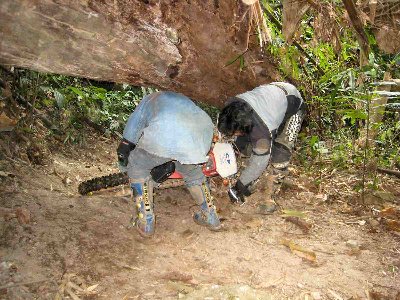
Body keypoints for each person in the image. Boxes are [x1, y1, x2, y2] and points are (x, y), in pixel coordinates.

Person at [117, 91, 221, 237]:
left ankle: (146, 222)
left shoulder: (151, 98)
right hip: (200, 134)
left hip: (166, 136)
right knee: (193, 173)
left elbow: (130, 134)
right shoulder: (186, 100)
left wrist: (124, 164)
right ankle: (211, 216)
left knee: (137, 166)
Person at [217, 82, 306, 213]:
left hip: (293, 104)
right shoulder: (231, 106)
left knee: (280, 154)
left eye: (235, 132)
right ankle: (251, 180)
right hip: (270, 99)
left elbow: (260, 161)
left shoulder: (261, 132)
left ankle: (269, 197)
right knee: (242, 146)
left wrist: (240, 185)